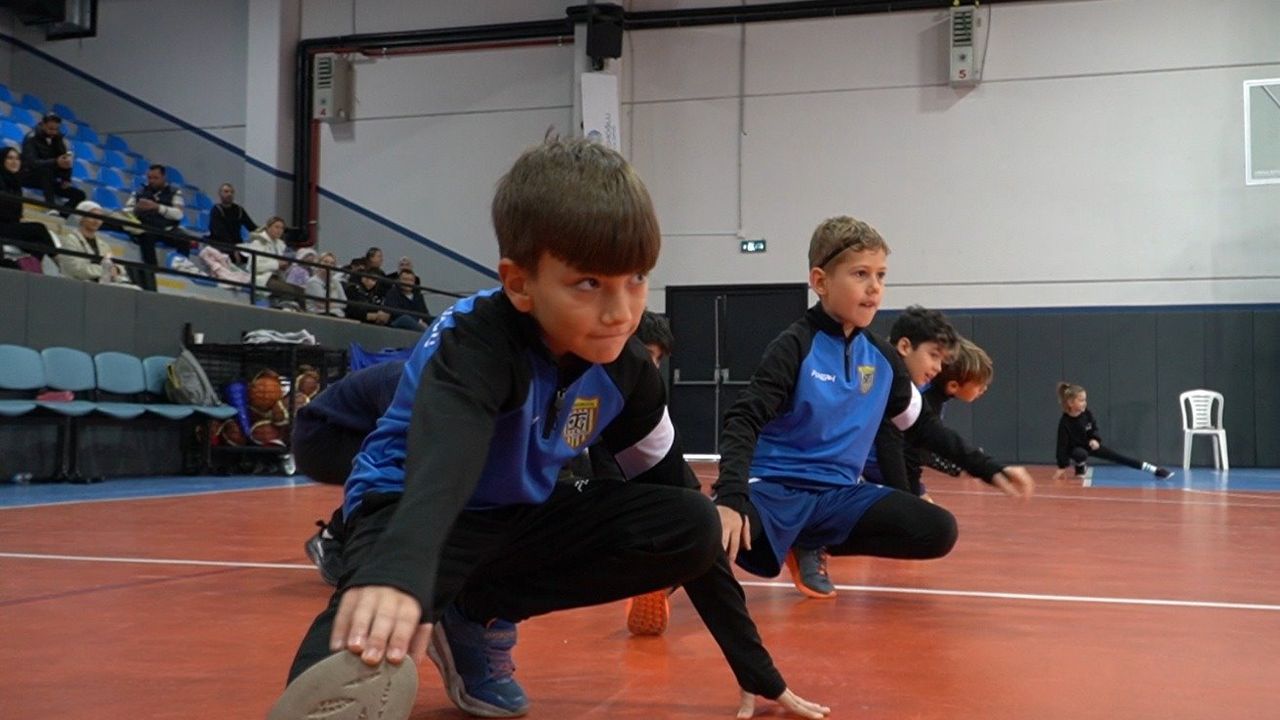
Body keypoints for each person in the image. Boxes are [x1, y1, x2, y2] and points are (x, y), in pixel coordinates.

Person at [269, 138, 828, 720]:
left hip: (520, 514)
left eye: (636, 278)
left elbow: (678, 495)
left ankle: (475, 613)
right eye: (588, 283)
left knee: (692, 523)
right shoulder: (475, 340)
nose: (621, 311)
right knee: (367, 639)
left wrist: (755, 668)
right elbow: (446, 460)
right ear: (519, 283)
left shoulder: (629, 369)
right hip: (411, 506)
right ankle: (347, 655)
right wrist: (398, 575)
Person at [712, 215, 1034, 603]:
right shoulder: (794, 346)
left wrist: (988, 468)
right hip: (775, 492)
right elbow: (743, 419)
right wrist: (731, 497)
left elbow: (922, 427)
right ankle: (670, 572)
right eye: (860, 274)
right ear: (820, 281)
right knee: (716, 529)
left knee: (937, 529)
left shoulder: (882, 359)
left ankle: (810, 540)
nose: (874, 287)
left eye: (881, 276)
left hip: (838, 498)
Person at [860, 305, 957, 496]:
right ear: (905, 347)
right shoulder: (871, 376)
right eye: (934, 356)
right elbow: (889, 446)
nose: (938, 368)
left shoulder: (915, 391)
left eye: (941, 360)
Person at [1053, 382, 1172, 480]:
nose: (1085, 403)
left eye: (1085, 400)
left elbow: (1093, 428)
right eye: (1081, 400)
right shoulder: (1064, 423)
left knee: (1118, 457)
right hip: (1075, 450)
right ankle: (1080, 466)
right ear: (1070, 403)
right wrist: (1062, 467)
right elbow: (1062, 446)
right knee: (1080, 454)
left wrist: (1094, 439)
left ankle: (1155, 470)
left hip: (1090, 445)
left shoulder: (1086, 414)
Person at [123, 164, 188, 290]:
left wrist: (158, 207)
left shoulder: (175, 192)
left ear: (164, 177)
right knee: (146, 235)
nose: (151, 181)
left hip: (167, 228)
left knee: (184, 239)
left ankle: (182, 272)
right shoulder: (140, 192)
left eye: (155, 178)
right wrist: (136, 209)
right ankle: (153, 274)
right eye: (149, 178)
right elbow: (126, 211)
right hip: (147, 227)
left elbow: (178, 214)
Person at [56, 200, 136, 287]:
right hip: (78, 285)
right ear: (81, 218)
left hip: (102, 284)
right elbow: (77, 269)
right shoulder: (69, 241)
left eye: (99, 218)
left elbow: (117, 266)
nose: (97, 221)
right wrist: (106, 270)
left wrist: (117, 269)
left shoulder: (103, 245)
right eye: (92, 217)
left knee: (135, 289)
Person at [19, 113, 86, 214]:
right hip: (28, 175)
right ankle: (50, 206)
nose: (54, 132)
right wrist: (55, 162)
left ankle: (62, 215)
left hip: (49, 179)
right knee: (46, 170)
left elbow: (64, 159)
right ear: (43, 125)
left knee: (80, 195)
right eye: (51, 129)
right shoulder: (31, 138)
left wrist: (66, 178)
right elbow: (32, 163)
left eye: (56, 129)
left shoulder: (58, 139)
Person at [0, 147, 58, 262]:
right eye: (10, 158)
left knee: (39, 244)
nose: (14, 162)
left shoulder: (15, 182)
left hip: (10, 226)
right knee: (39, 228)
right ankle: (60, 262)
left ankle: (30, 268)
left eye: (17, 158)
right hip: (2, 226)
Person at [206, 182, 256, 256]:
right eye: (226, 191)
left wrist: (264, 232)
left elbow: (251, 227)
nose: (229, 194)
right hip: (220, 245)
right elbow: (219, 233)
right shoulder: (216, 210)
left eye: (232, 192)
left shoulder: (239, 210)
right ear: (220, 194)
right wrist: (233, 249)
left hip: (237, 245)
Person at [304, 251, 348, 317]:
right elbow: (322, 304)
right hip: (319, 314)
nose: (328, 265)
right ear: (319, 263)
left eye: (332, 263)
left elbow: (344, 303)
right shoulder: (313, 282)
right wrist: (337, 304)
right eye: (326, 262)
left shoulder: (336, 282)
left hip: (338, 314)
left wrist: (331, 304)